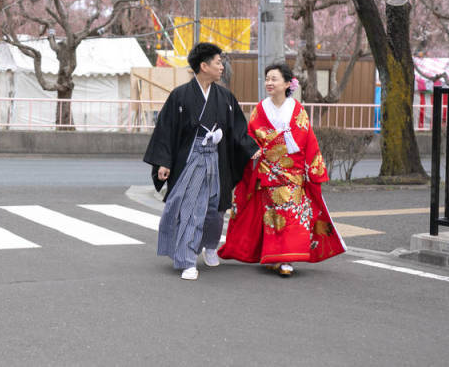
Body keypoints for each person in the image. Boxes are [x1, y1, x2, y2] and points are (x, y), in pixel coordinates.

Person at [143, 43, 259, 280]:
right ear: (203, 66)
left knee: (216, 208)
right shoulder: (181, 96)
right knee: (191, 208)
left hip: (217, 158)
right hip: (192, 158)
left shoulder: (225, 97)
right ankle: (187, 260)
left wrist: (250, 148)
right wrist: (164, 162)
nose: (221, 66)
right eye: (218, 62)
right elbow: (166, 129)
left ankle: (210, 245)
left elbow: (238, 127)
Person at [218, 63, 346, 276]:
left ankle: (288, 260)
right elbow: (251, 137)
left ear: (288, 83)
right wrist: (261, 150)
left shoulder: (297, 109)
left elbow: (307, 140)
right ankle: (274, 256)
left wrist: (309, 170)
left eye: (274, 79)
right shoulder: (260, 109)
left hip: (292, 174)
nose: (269, 82)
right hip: (268, 172)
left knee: (293, 216)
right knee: (273, 217)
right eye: (267, 78)